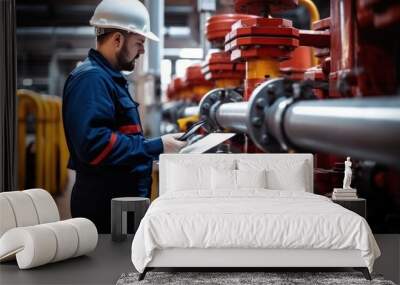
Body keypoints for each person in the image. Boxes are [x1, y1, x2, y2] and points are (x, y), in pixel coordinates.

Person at [62, 0, 186, 233]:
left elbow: (117, 136)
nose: (142, 50)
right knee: (112, 268)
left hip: (119, 206)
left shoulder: (108, 79)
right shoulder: (92, 80)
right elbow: (95, 146)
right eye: (139, 42)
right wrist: (157, 146)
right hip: (105, 209)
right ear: (117, 39)